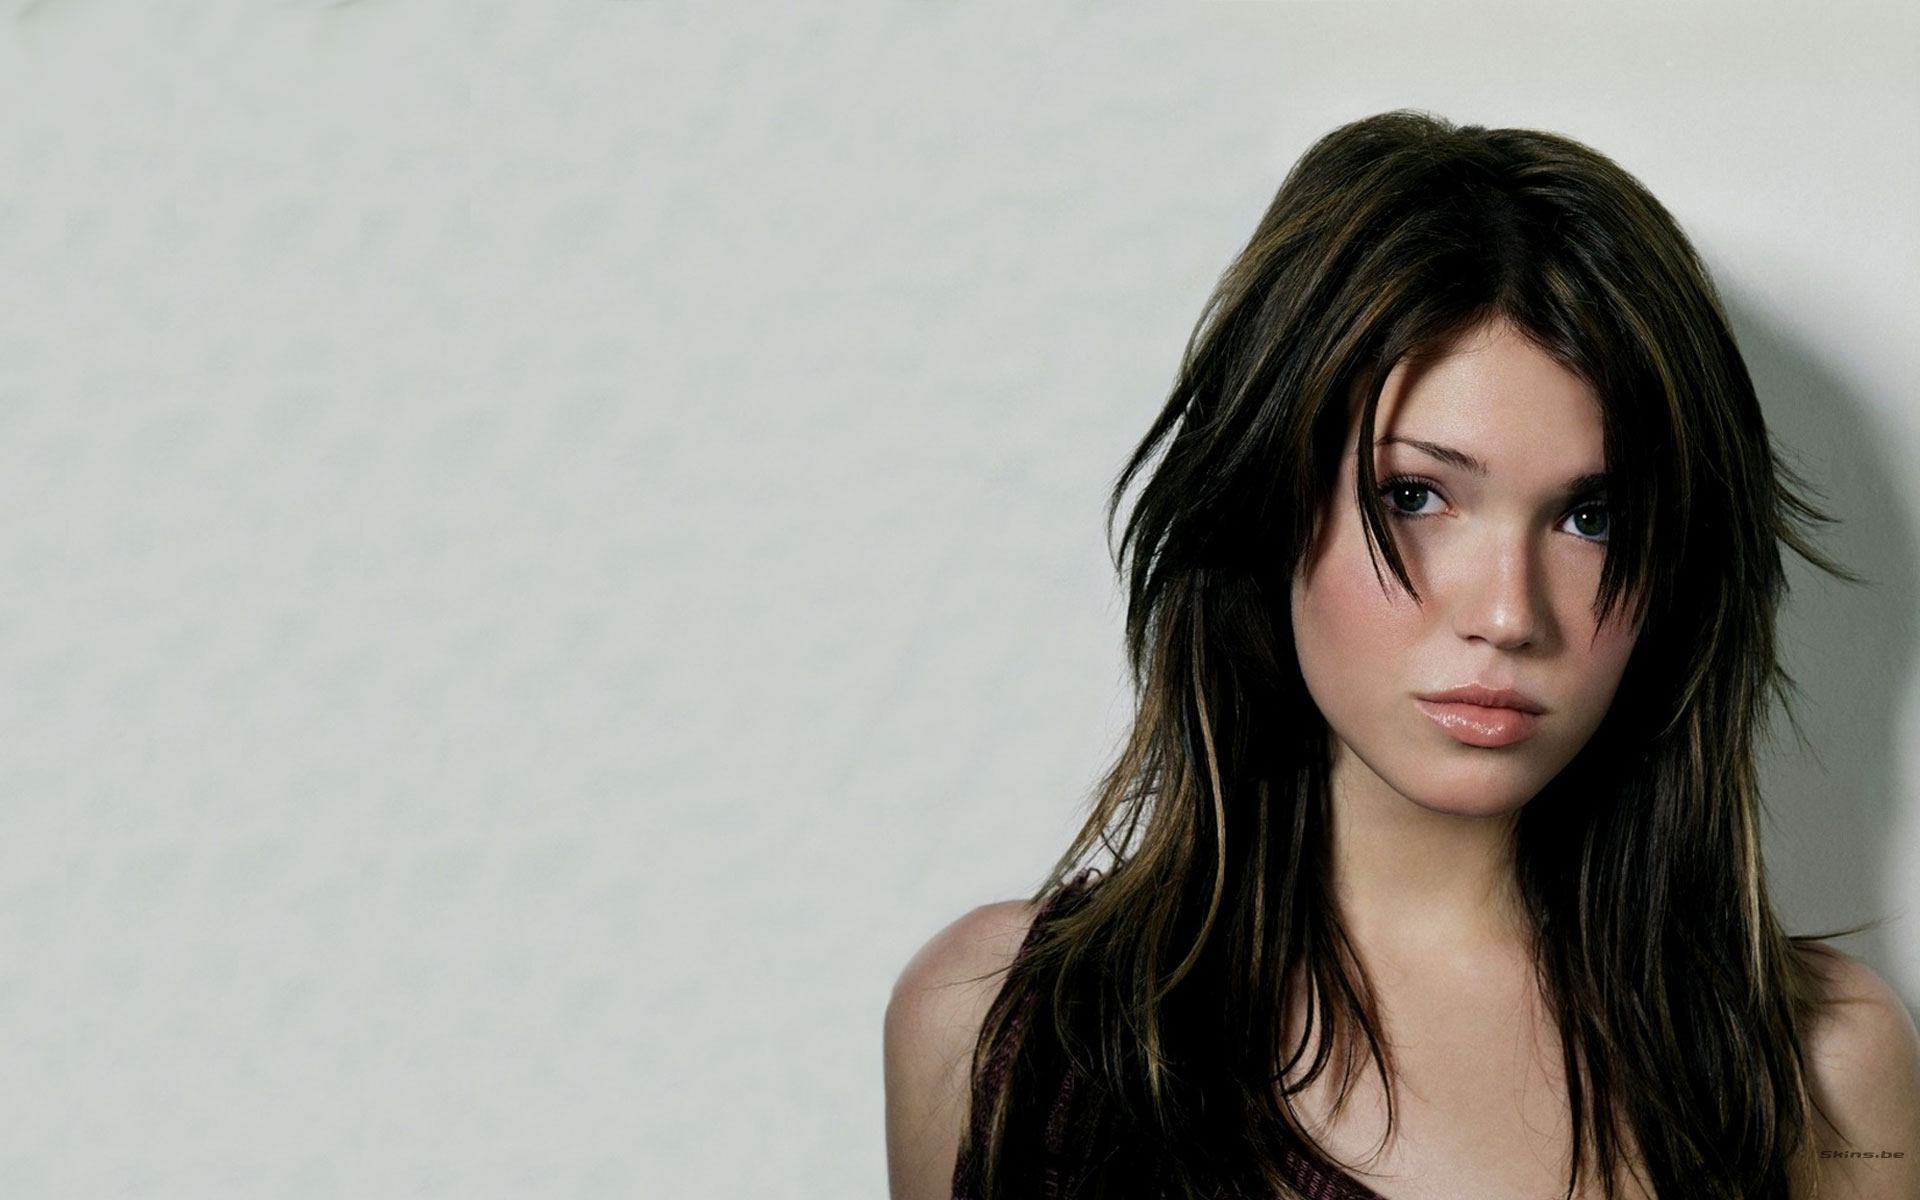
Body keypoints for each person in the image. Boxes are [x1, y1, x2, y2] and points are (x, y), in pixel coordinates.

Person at [882, 110, 1920, 1200]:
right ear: (1267, 503)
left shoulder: (1823, 1077)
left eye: (1594, 518)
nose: (1509, 614)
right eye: (1415, 495)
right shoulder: (997, 1031)